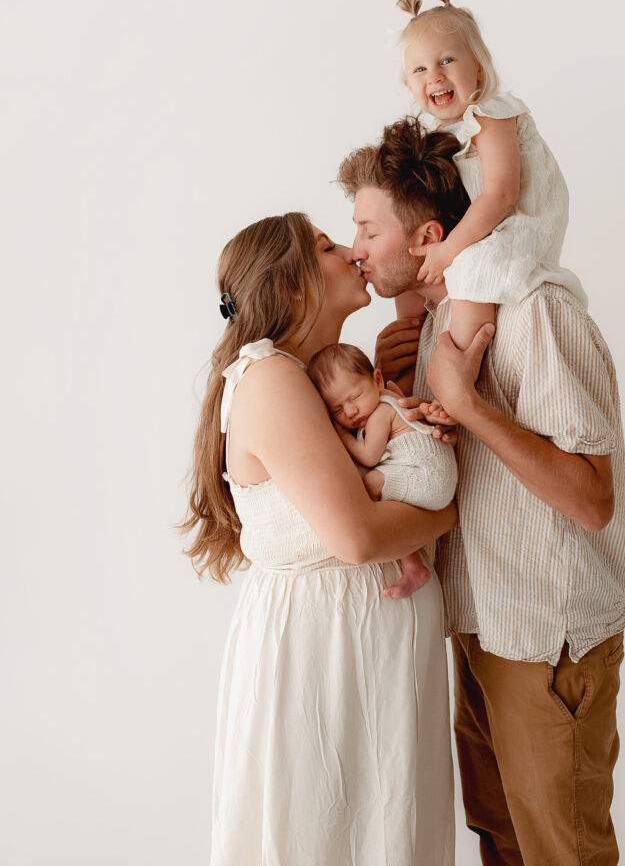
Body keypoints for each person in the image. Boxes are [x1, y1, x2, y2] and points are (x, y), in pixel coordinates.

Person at [338, 120, 625, 866]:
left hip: (545, 640)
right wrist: (395, 383)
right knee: (500, 844)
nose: (354, 250)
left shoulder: (538, 314)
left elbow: (591, 501)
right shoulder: (437, 321)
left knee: (563, 853)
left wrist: (469, 406)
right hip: (477, 625)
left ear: (426, 235)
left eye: (366, 229)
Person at [180, 212, 457, 865]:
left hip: (361, 651)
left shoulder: (313, 383)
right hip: (323, 657)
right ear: (295, 289)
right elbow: (357, 538)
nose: (350, 252)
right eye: (329, 247)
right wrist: (445, 514)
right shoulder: (272, 377)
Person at [394, 0, 586, 351]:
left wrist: (449, 250)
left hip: (520, 223)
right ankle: (416, 358)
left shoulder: (491, 114)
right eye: (419, 69)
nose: (434, 75)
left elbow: (501, 194)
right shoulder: (446, 135)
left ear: (479, 69)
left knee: (469, 268)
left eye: (447, 60)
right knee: (413, 279)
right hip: (493, 225)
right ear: (408, 84)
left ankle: (462, 368)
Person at [307, 341, 458, 599]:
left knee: (369, 484)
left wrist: (341, 434)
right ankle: (414, 566)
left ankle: (412, 565)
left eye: (354, 397)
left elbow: (368, 455)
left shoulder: (380, 412)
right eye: (337, 409)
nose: (351, 411)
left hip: (429, 476)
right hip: (437, 479)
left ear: (378, 379)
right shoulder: (391, 395)